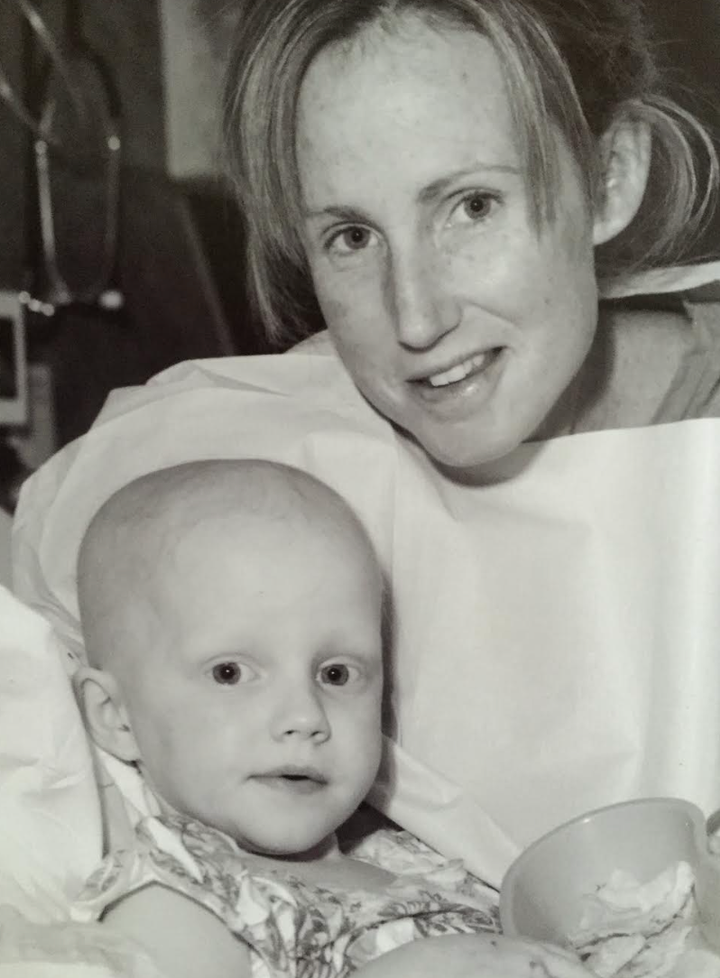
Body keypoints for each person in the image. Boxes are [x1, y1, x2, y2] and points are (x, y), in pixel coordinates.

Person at [10, 0, 720, 905]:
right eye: (351, 237)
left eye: (471, 206)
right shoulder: (234, 454)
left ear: (610, 178)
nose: (416, 318)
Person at [70, 458, 593, 978]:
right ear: (116, 717)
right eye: (230, 672)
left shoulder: (412, 855)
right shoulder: (180, 895)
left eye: (336, 674)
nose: (304, 716)